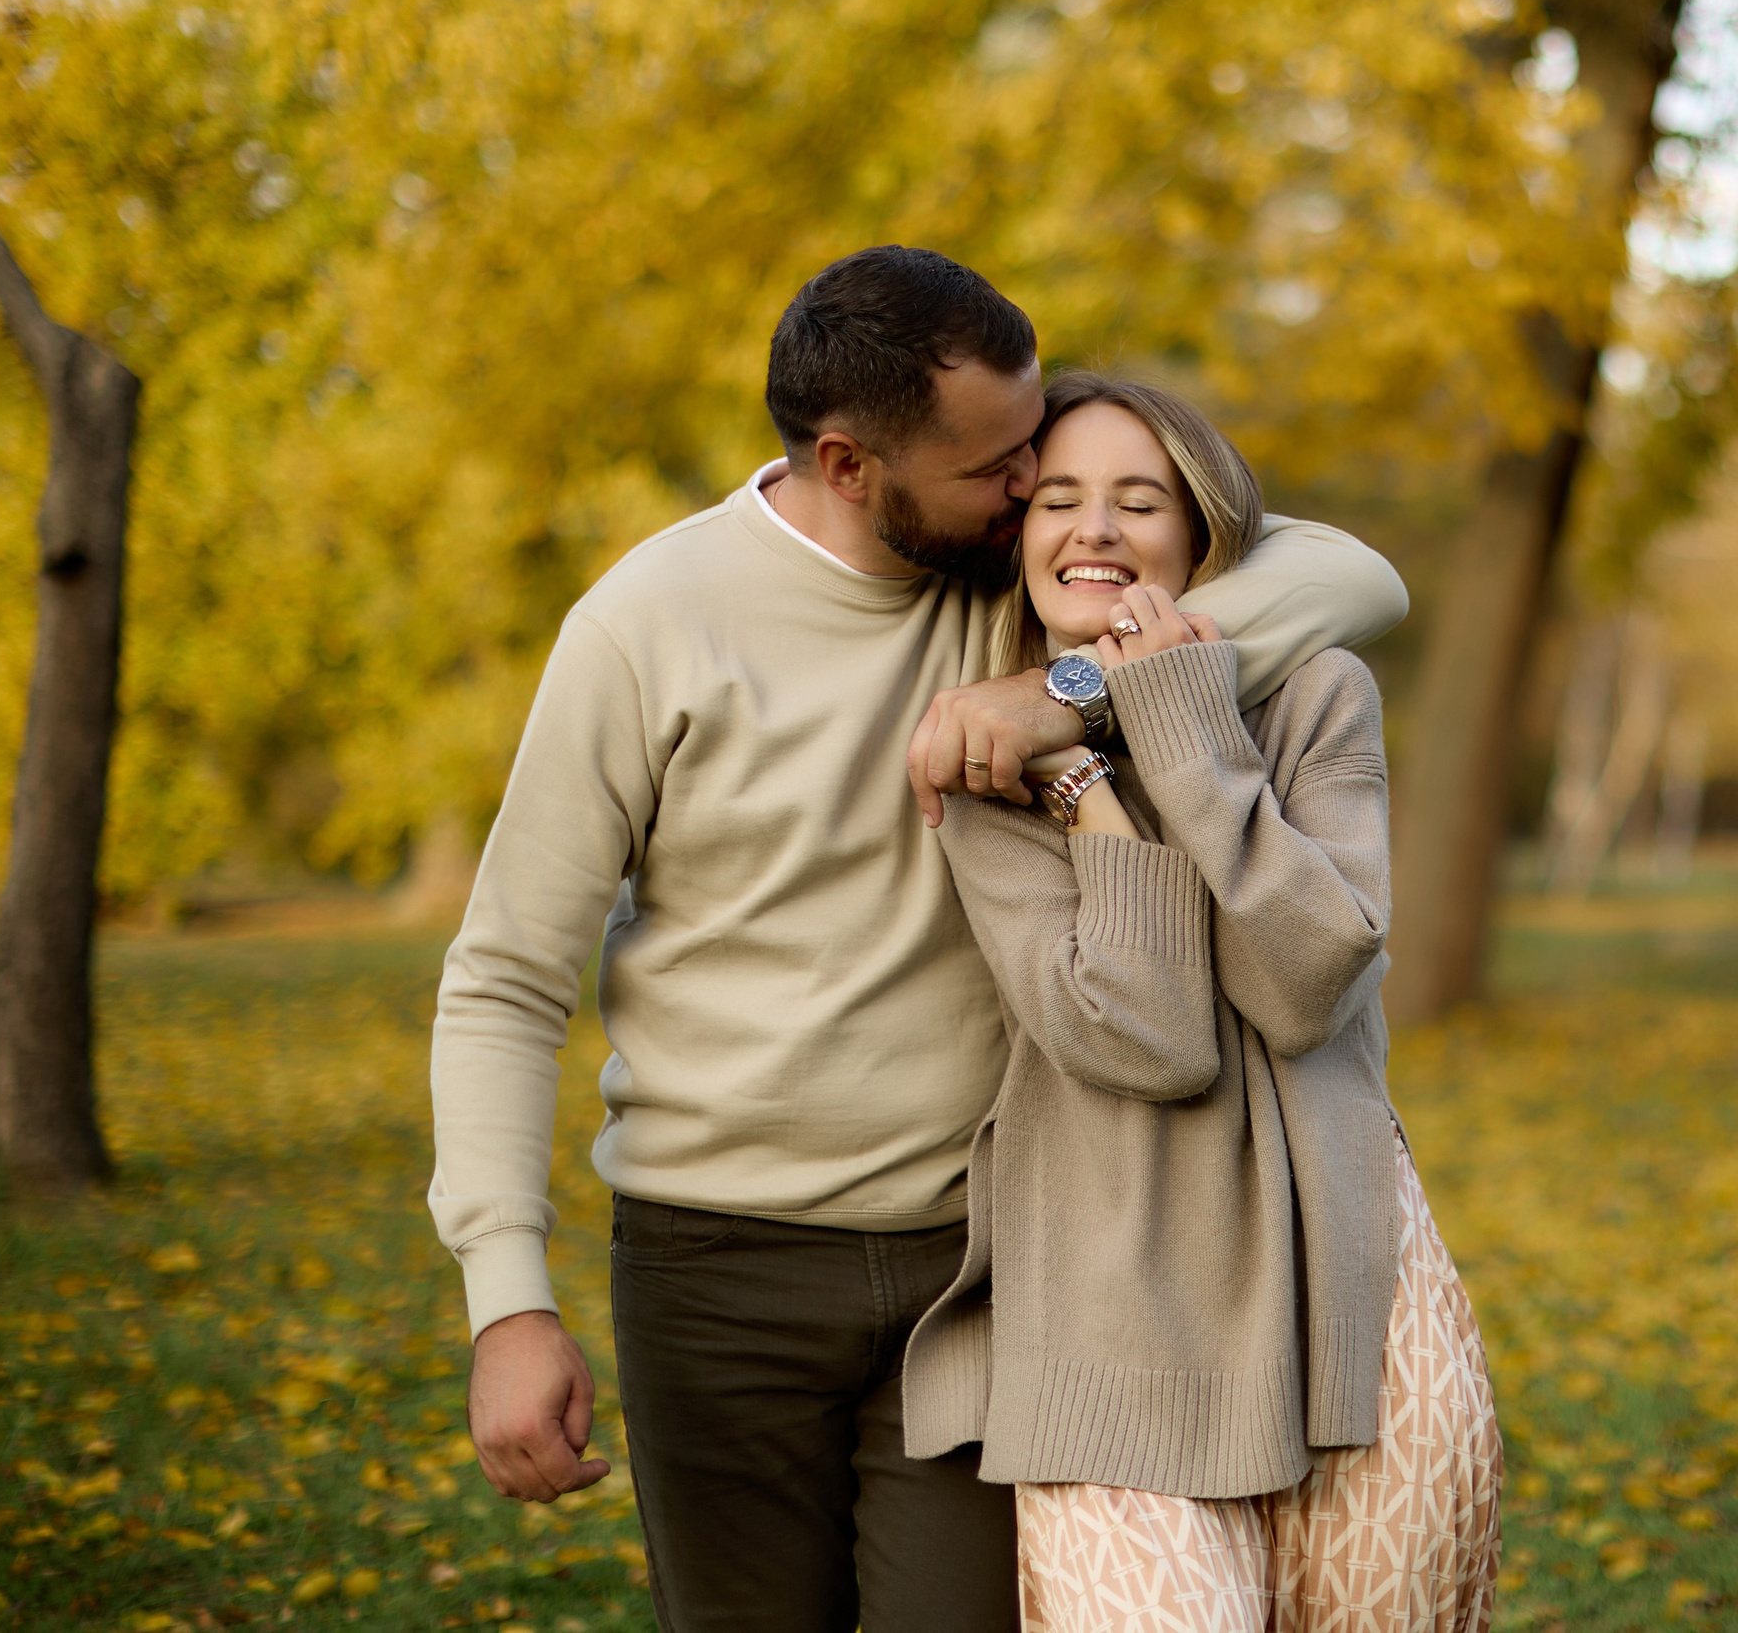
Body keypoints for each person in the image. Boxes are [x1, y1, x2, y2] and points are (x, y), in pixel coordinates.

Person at [427, 248, 1409, 1633]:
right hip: (719, 1268)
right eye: (999, 463)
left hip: (984, 1264)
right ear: (848, 463)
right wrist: (506, 1296)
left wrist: (1059, 689)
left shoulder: (1014, 593)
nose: (1035, 488)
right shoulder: (647, 625)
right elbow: (507, 976)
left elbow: (1350, 571)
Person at [904, 372, 1502, 1630]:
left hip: (1349, 1294)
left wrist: (1167, 719)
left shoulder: (1320, 695)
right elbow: (1148, 1033)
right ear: (1018, 537)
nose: (1095, 532)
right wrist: (1082, 787)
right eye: (1057, 500)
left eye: (1139, 501)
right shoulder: (980, 756)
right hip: (1111, 1301)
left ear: (1203, 537)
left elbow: (1305, 981)